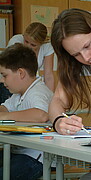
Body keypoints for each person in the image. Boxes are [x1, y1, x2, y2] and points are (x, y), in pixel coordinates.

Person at [0, 43, 53, 179]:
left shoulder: (38, 92)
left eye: (5, 75)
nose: (2, 81)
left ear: (21, 73)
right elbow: (4, 107)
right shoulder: (18, 94)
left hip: (37, 158)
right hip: (20, 151)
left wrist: (5, 116)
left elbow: (41, 115)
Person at [7, 22, 55, 91]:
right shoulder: (16, 41)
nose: (28, 46)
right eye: (26, 41)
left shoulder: (47, 47)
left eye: (33, 45)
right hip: (11, 80)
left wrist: (50, 97)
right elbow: (13, 70)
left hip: (29, 84)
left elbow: (48, 76)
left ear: (42, 43)